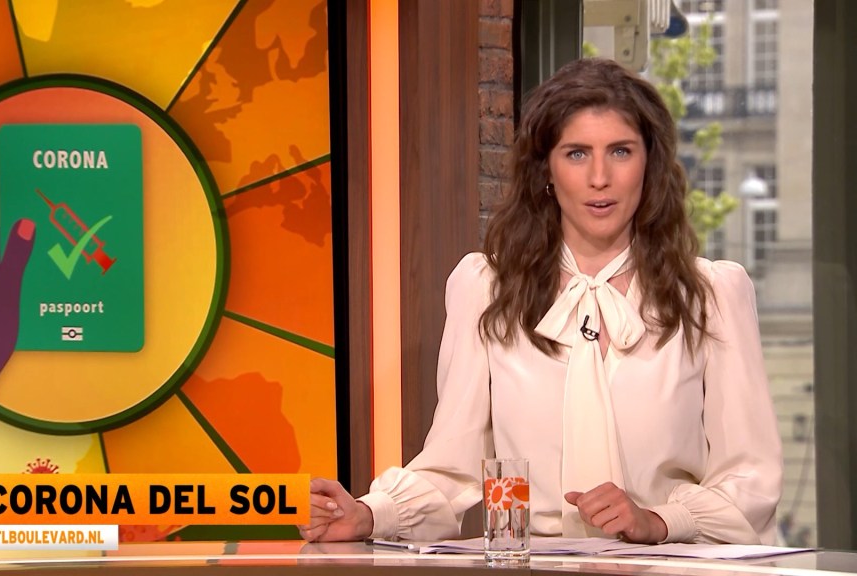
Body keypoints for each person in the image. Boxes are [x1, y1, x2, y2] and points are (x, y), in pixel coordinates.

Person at [300, 58, 782, 545]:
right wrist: (370, 513)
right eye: (576, 153)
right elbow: (451, 468)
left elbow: (750, 482)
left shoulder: (711, 295)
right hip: (533, 565)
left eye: (620, 151)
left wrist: (659, 520)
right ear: (546, 170)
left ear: (649, 164)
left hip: (665, 566)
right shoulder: (487, 290)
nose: (599, 177)